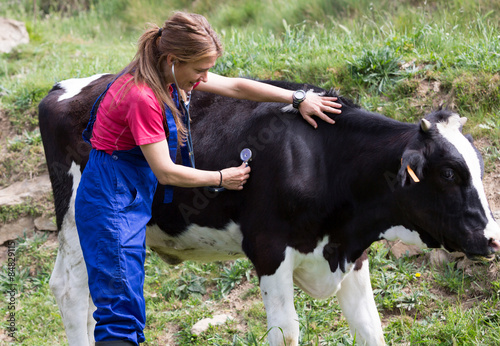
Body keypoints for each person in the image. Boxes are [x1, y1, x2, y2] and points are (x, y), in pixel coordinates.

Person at [75, 11, 342, 346]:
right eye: (199, 70)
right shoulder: (142, 96)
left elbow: (235, 86)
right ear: (173, 59)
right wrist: (221, 177)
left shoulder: (162, 73)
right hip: (110, 199)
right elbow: (165, 171)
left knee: (128, 303)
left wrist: (296, 97)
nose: (203, 78)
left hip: (127, 194)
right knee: (119, 311)